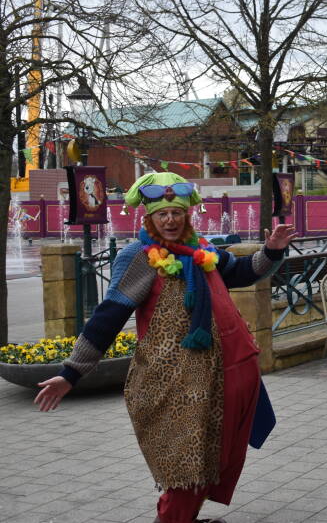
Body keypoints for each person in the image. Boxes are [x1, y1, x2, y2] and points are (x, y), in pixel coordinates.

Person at [34, 172, 297, 523]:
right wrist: (70, 373)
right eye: (162, 214)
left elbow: (242, 272)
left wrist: (272, 250)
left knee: (214, 456)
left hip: (222, 375)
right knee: (185, 463)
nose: (170, 220)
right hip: (175, 384)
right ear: (149, 217)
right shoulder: (138, 257)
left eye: (176, 213)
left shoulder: (203, 250)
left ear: (186, 215)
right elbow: (108, 316)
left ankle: (185, 517)